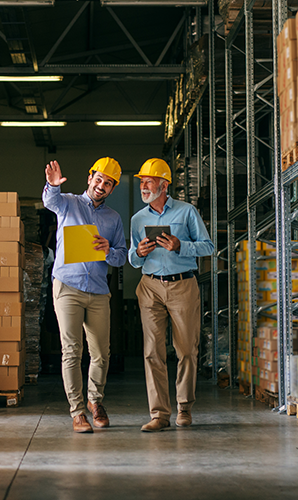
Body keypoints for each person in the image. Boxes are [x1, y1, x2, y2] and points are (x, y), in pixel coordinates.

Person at [128, 158, 214, 432]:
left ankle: (184, 407)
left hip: (182, 286)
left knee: (186, 349)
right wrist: (138, 253)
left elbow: (208, 247)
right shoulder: (137, 219)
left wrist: (181, 246)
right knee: (153, 351)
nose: (144, 187)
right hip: (150, 286)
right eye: (142, 182)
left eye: (148, 181)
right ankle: (159, 414)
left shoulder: (187, 212)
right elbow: (133, 259)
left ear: (164, 185)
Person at [43, 157, 127, 433]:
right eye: (99, 179)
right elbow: (49, 202)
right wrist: (52, 185)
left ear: (112, 188)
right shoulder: (67, 203)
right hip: (68, 286)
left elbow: (121, 257)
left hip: (99, 291)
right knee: (72, 350)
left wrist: (108, 251)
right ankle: (77, 411)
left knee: (101, 353)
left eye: (108, 183)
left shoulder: (113, 219)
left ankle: (95, 402)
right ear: (90, 177)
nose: (102, 185)